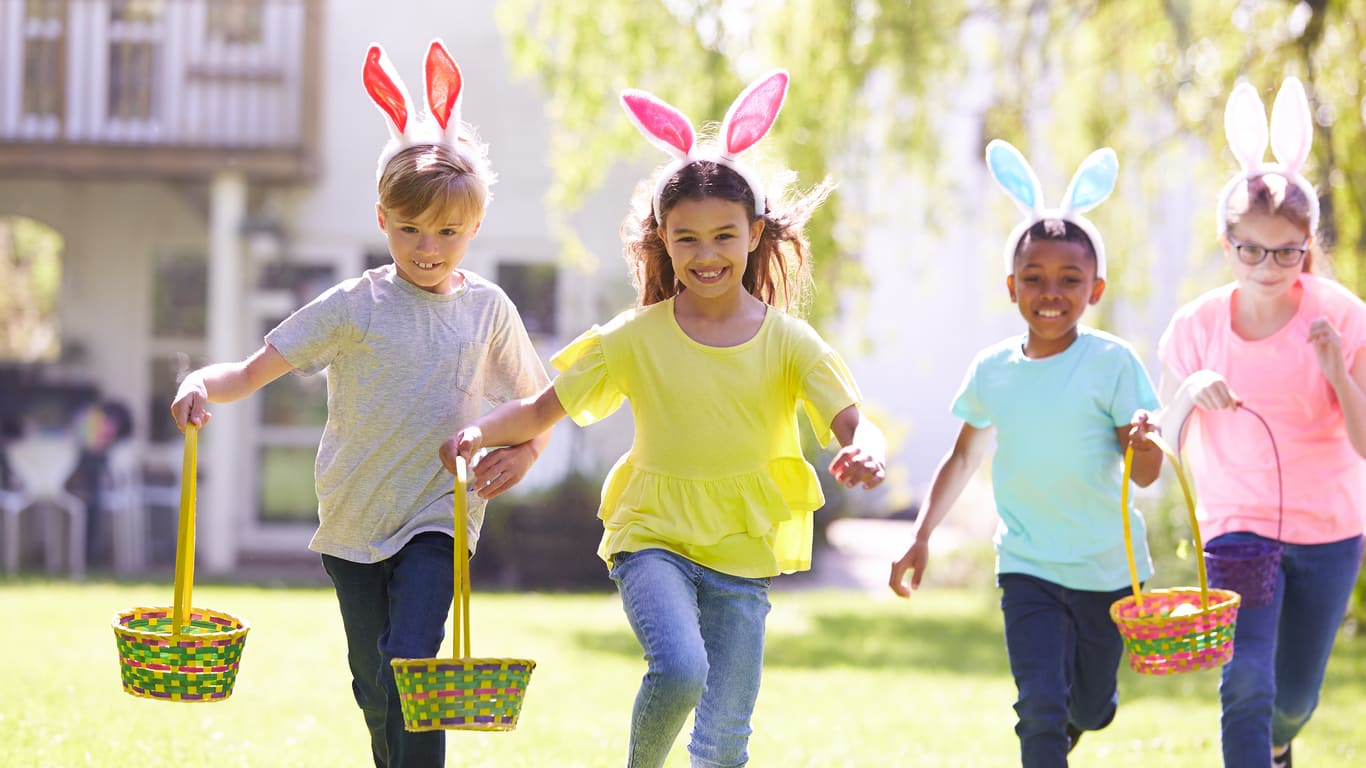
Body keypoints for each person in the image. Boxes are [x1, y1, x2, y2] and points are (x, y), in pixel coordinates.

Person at [441, 70, 886, 768]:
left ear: (755, 233)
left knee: (726, 739)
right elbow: (541, 408)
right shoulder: (635, 336)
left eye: (723, 236)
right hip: (651, 536)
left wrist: (870, 452)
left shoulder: (789, 341)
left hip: (743, 548)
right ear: (661, 239)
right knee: (680, 670)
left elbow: (856, 421)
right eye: (686, 239)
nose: (705, 255)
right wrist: (478, 432)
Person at [169, 40, 550, 768]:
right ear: (383, 218)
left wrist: (524, 452)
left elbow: (538, 403)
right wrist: (198, 384)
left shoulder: (488, 311)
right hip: (352, 516)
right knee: (374, 683)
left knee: (414, 663)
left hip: (440, 514)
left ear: (475, 226)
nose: (428, 246)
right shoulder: (356, 305)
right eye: (410, 227)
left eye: (447, 231)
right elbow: (251, 371)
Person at [888, 139, 1161, 767]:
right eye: (1034, 278)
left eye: (1070, 280)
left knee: (1089, 707)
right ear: (1012, 286)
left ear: (1095, 289)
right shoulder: (993, 371)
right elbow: (961, 458)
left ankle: (1083, 717)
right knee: (1039, 703)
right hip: (1028, 566)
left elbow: (1142, 474)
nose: (1051, 292)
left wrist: (1145, 443)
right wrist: (922, 533)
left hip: (1106, 571)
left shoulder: (1113, 363)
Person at [1150, 77, 1366, 768]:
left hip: (1330, 530)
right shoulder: (1196, 327)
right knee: (1245, 678)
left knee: (1293, 698)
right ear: (1227, 242)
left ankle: (1278, 745)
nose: (1269, 266)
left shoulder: (1345, 316)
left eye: (1286, 251)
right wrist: (1191, 390)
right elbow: (1164, 444)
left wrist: (1337, 370)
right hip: (1237, 525)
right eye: (1251, 249)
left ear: (1308, 243)